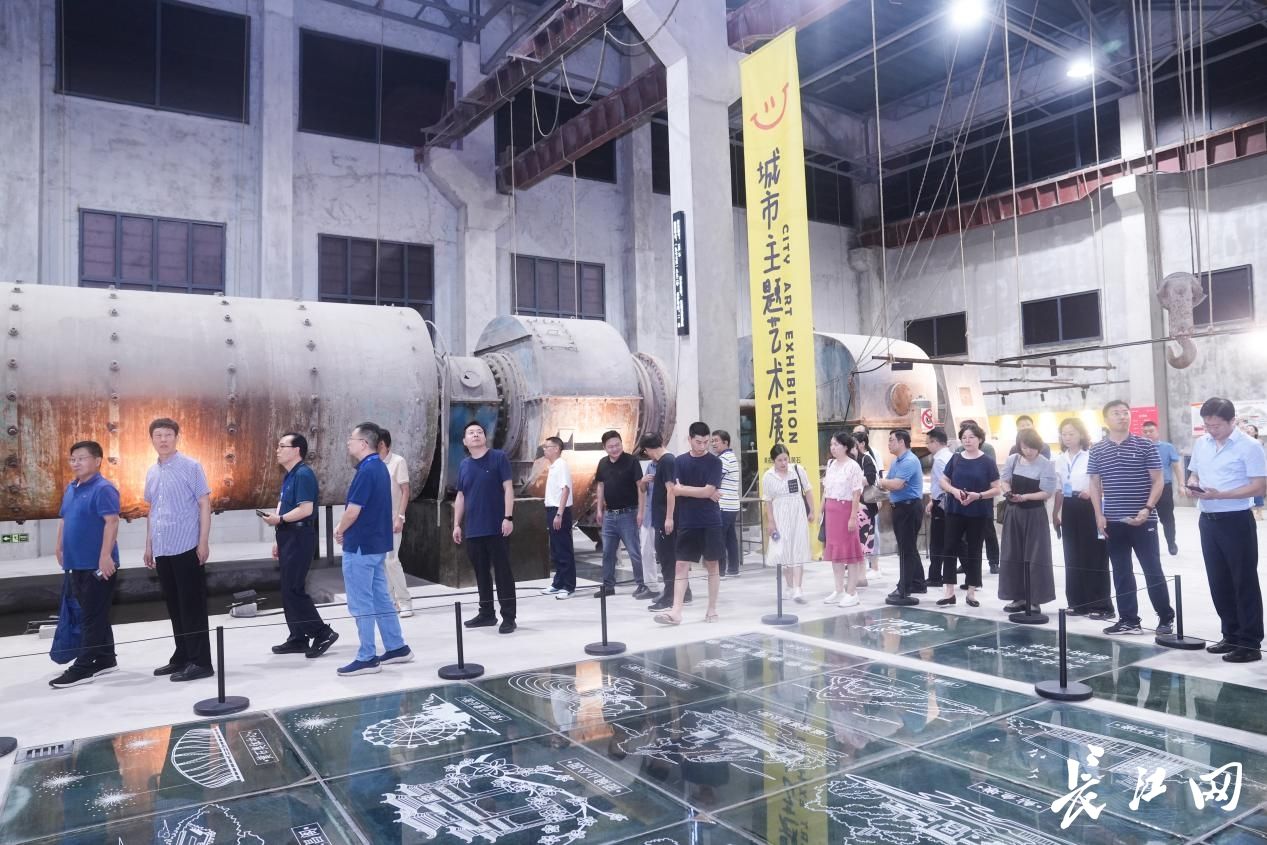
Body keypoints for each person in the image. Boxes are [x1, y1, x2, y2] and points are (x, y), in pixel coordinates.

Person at [1188, 398, 1267, 663]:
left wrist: (1221, 494)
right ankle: (1230, 635)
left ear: (1233, 421)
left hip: (1236, 520)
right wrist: (1193, 484)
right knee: (1218, 581)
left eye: (1217, 426)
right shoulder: (1202, 444)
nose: (1212, 431)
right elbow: (1193, 473)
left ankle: (1250, 643)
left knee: (1243, 581)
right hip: (1207, 520)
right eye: (1207, 425)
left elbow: (1259, 486)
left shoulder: (1250, 446)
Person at [1088, 399, 1175, 636]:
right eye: (1116, 413)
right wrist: (1098, 515)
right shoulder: (1097, 449)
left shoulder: (1145, 445)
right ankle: (1128, 620)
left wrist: (1147, 508)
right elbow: (1094, 484)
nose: (1122, 416)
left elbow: (1158, 480)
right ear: (1106, 419)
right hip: (1113, 521)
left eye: (1125, 412)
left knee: (1152, 568)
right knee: (1121, 571)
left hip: (1144, 520)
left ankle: (1165, 617)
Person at [335, 423, 413, 675]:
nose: (348, 443)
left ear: (363, 443)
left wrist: (339, 529)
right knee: (380, 597)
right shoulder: (379, 466)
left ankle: (367, 656)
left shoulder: (367, 470)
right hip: (376, 545)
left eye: (351, 438)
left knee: (361, 602)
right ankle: (396, 647)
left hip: (360, 545)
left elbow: (353, 511)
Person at [144, 417, 214, 683]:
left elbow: (204, 504)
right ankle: (183, 656)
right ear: (152, 439)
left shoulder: (191, 466)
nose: (163, 439)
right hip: (162, 547)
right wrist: (149, 544)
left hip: (186, 545)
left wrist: (203, 541)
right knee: (174, 605)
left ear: (176, 437)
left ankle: (201, 662)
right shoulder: (152, 471)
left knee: (192, 605)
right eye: (158, 435)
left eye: (168, 435)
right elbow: (152, 510)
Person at [50, 441, 121, 689]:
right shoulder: (71, 487)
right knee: (94, 612)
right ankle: (105, 658)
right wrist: (59, 546)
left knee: (90, 616)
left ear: (97, 461)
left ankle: (83, 667)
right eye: (73, 459)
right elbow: (64, 519)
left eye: (82, 458)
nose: (76, 463)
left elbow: (112, 522)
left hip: (97, 565)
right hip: (76, 563)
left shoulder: (103, 488)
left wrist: (105, 556)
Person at [261, 432, 338, 659]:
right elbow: (284, 505)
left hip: (299, 536)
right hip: (288, 534)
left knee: (294, 589)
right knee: (287, 589)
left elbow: (305, 509)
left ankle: (322, 632)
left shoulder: (303, 474)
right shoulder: (290, 475)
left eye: (282, 446)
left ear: (296, 450)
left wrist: (280, 520)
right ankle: (298, 636)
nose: (277, 450)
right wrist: (278, 535)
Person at [655, 422, 725, 625]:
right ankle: (676, 611)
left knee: (712, 564)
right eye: (698, 442)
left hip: (710, 521)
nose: (702, 446)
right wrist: (703, 492)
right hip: (687, 521)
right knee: (681, 564)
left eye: (706, 442)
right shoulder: (680, 461)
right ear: (690, 439)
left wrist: (686, 490)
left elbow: (705, 490)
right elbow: (675, 491)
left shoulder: (715, 462)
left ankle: (712, 608)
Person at [452, 421, 518, 632]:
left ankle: (509, 617)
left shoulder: (499, 457)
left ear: (485, 437)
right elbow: (461, 496)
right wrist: (456, 524)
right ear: (465, 441)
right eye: (471, 432)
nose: (476, 435)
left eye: (479, 432)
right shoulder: (464, 465)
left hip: (497, 526)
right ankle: (487, 613)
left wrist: (508, 517)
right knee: (481, 573)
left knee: (503, 573)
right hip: (474, 528)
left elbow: (508, 489)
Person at [1053, 418, 1114, 620]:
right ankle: (1077, 602)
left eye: (1071, 433)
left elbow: (1105, 482)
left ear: (1081, 434)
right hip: (1069, 506)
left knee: (1095, 554)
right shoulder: (1060, 459)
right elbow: (1059, 489)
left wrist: (1092, 492)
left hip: (1090, 505)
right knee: (1072, 554)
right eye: (1064, 434)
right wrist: (1055, 513)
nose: (1067, 437)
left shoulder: (1092, 455)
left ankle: (1101, 604)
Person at [937, 422, 999, 609]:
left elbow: (997, 489)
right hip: (955, 510)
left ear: (980, 439)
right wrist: (954, 491)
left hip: (978, 511)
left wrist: (978, 495)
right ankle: (949, 592)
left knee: (974, 550)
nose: (967, 440)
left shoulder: (987, 462)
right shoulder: (956, 458)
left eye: (971, 437)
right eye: (964, 437)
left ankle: (971, 591)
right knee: (949, 548)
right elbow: (943, 481)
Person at [998, 428, 1057, 615]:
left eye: (1031, 447)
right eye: (1024, 447)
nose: (1028, 451)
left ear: (1038, 446)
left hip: (1034, 513)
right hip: (1013, 512)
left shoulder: (1045, 464)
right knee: (1012, 553)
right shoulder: (1013, 459)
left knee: (1036, 556)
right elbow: (1004, 480)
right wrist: (1008, 492)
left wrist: (1025, 497)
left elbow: (1047, 492)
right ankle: (1017, 597)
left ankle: (1035, 599)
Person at [594, 430, 650, 599]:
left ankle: (642, 584)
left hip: (629, 514)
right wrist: (599, 509)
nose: (615, 449)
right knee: (608, 553)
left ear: (621, 443)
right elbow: (600, 486)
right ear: (604, 448)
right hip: (610, 515)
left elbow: (641, 488)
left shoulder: (632, 461)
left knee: (634, 551)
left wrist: (641, 512)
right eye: (610, 446)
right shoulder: (602, 463)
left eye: (617, 445)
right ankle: (608, 586)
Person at [640, 434, 691, 612]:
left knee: (667, 557)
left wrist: (669, 518)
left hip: (665, 519)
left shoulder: (667, 461)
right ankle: (684, 593)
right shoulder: (665, 461)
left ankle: (670, 596)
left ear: (647, 449)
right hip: (662, 517)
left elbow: (671, 490)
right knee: (671, 556)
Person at [761, 444, 815, 605]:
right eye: (779, 460)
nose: (783, 463)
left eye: (785, 459)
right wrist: (771, 521)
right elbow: (768, 501)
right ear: (773, 460)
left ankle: (798, 587)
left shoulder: (797, 470)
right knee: (783, 552)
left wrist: (812, 511)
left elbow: (808, 490)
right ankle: (790, 585)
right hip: (780, 515)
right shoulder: (768, 476)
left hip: (798, 513)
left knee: (798, 549)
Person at [821, 432, 867, 607]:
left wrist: (853, 517)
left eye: (836, 444)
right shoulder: (831, 464)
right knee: (836, 552)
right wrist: (822, 509)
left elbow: (856, 493)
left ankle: (852, 592)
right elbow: (827, 490)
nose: (833, 448)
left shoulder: (853, 466)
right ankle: (838, 589)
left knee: (850, 552)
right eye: (831, 444)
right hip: (831, 511)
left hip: (846, 510)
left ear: (845, 447)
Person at [879, 430, 925, 604]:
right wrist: (887, 483)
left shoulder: (910, 461)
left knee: (906, 550)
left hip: (909, 508)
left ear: (901, 442)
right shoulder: (896, 461)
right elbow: (889, 483)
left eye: (891, 440)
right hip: (899, 508)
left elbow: (896, 484)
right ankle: (918, 582)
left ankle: (903, 589)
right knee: (908, 547)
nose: (889, 444)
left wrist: (884, 482)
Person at [377, 429, 414, 617]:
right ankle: (390, 602)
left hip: (392, 518)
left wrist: (400, 517)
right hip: (377, 520)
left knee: (391, 560)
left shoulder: (398, 461)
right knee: (382, 562)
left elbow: (405, 490)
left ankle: (405, 601)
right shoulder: (373, 463)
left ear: (383, 444)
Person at [957, 419, 999, 575]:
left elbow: (992, 475)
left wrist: (981, 494)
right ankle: (967, 563)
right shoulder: (959, 450)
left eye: (970, 434)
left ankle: (994, 562)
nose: (966, 439)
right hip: (965, 498)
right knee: (966, 534)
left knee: (988, 531)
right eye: (963, 434)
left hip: (983, 497)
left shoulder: (987, 449)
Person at [539, 436, 576, 599]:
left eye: (547, 447)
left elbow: (565, 489)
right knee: (556, 549)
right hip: (552, 510)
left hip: (559, 511)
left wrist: (559, 514)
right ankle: (558, 583)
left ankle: (568, 585)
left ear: (556, 449)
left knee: (563, 548)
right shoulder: (554, 466)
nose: (544, 450)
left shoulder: (561, 465)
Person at [1141, 420, 1185, 555]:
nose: (1148, 434)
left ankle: (1171, 542)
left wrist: (1181, 485)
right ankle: (1147, 546)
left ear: (1157, 432)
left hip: (1164, 487)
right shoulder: (1139, 448)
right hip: (1144, 488)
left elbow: (1177, 467)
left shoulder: (1167, 447)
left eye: (1151, 431)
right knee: (1144, 518)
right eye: (1145, 432)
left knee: (1167, 518)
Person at [924, 428, 954, 590]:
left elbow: (945, 484)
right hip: (944, 502)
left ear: (935, 442)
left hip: (942, 504)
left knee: (937, 542)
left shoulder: (940, 460)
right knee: (949, 541)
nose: (927, 446)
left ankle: (935, 576)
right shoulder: (950, 456)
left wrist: (937, 501)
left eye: (928, 443)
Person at [712, 430, 743, 577]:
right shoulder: (730, 457)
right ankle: (733, 569)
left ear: (726, 442)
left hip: (724, 505)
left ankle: (720, 572)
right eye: (712, 441)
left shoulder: (724, 459)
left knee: (719, 539)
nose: (713, 444)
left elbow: (714, 479)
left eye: (716, 440)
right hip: (732, 505)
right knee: (730, 539)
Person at [853, 431, 880, 579]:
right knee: (857, 541)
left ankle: (865, 573)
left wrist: (854, 480)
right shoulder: (851, 461)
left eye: (853, 445)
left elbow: (871, 479)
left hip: (865, 506)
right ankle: (859, 574)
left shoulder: (866, 459)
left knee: (864, 541)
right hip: (855, 505)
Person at [636, 455, 660, 597]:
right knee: (645, 551)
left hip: (663, 516)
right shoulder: (650, 466)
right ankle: (652, 587)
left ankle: (680, 588)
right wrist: (643, 481)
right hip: (648, 516)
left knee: (668, 554)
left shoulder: (669, 463)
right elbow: (643, 489)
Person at [1244, 423, 1265, 521]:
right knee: (1248, 491)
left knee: (1258, 490)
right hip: (1245, 470)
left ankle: (1259, 512)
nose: (1248, 430)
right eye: (1247, 428)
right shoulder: (1242, 442)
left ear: (1255, 432)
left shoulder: (1258, 442)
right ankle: (1251, 512)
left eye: (1251, 429)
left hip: (1257, 470)